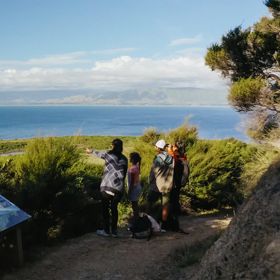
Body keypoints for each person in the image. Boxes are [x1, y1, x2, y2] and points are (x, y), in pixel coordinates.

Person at [86, 139, 128, 237]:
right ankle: (114, 231)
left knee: (105, 208)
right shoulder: (125, 159)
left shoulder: (108, 154)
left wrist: (90, 151)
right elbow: (124, 173)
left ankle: (106, 230)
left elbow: (98, 153)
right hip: (119, 188)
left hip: (107, 186)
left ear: (113, 145)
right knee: (114, 209)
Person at [147, 139, 174, 231]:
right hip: (168, 185)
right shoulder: (171, 158)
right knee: (165, 206)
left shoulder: (158, 159)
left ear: (158, 148)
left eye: (156, 146)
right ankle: (164, 226)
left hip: (157, 185)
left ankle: (149, 223)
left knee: (149, 203)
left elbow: (153, 172)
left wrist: (149, 181)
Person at [168, 142, 190, 231]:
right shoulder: (183, 158)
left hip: (175, 184)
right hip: (178, 184)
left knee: (172, 202)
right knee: (175, 202)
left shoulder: (177, 159)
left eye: (174, 148)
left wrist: (170, 151)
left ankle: (173, 223)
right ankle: (175, 222)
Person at [127, 152, 142, 220]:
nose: (129, 158)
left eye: (130, 157)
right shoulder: (137, 167)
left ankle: (136, 219)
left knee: (134, 205)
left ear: (132, 159)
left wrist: (129, 191)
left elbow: (132, 182)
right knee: (135, 204)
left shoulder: (133, 168)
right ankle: (136, 218)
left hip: (134, 188)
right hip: (137, 187)